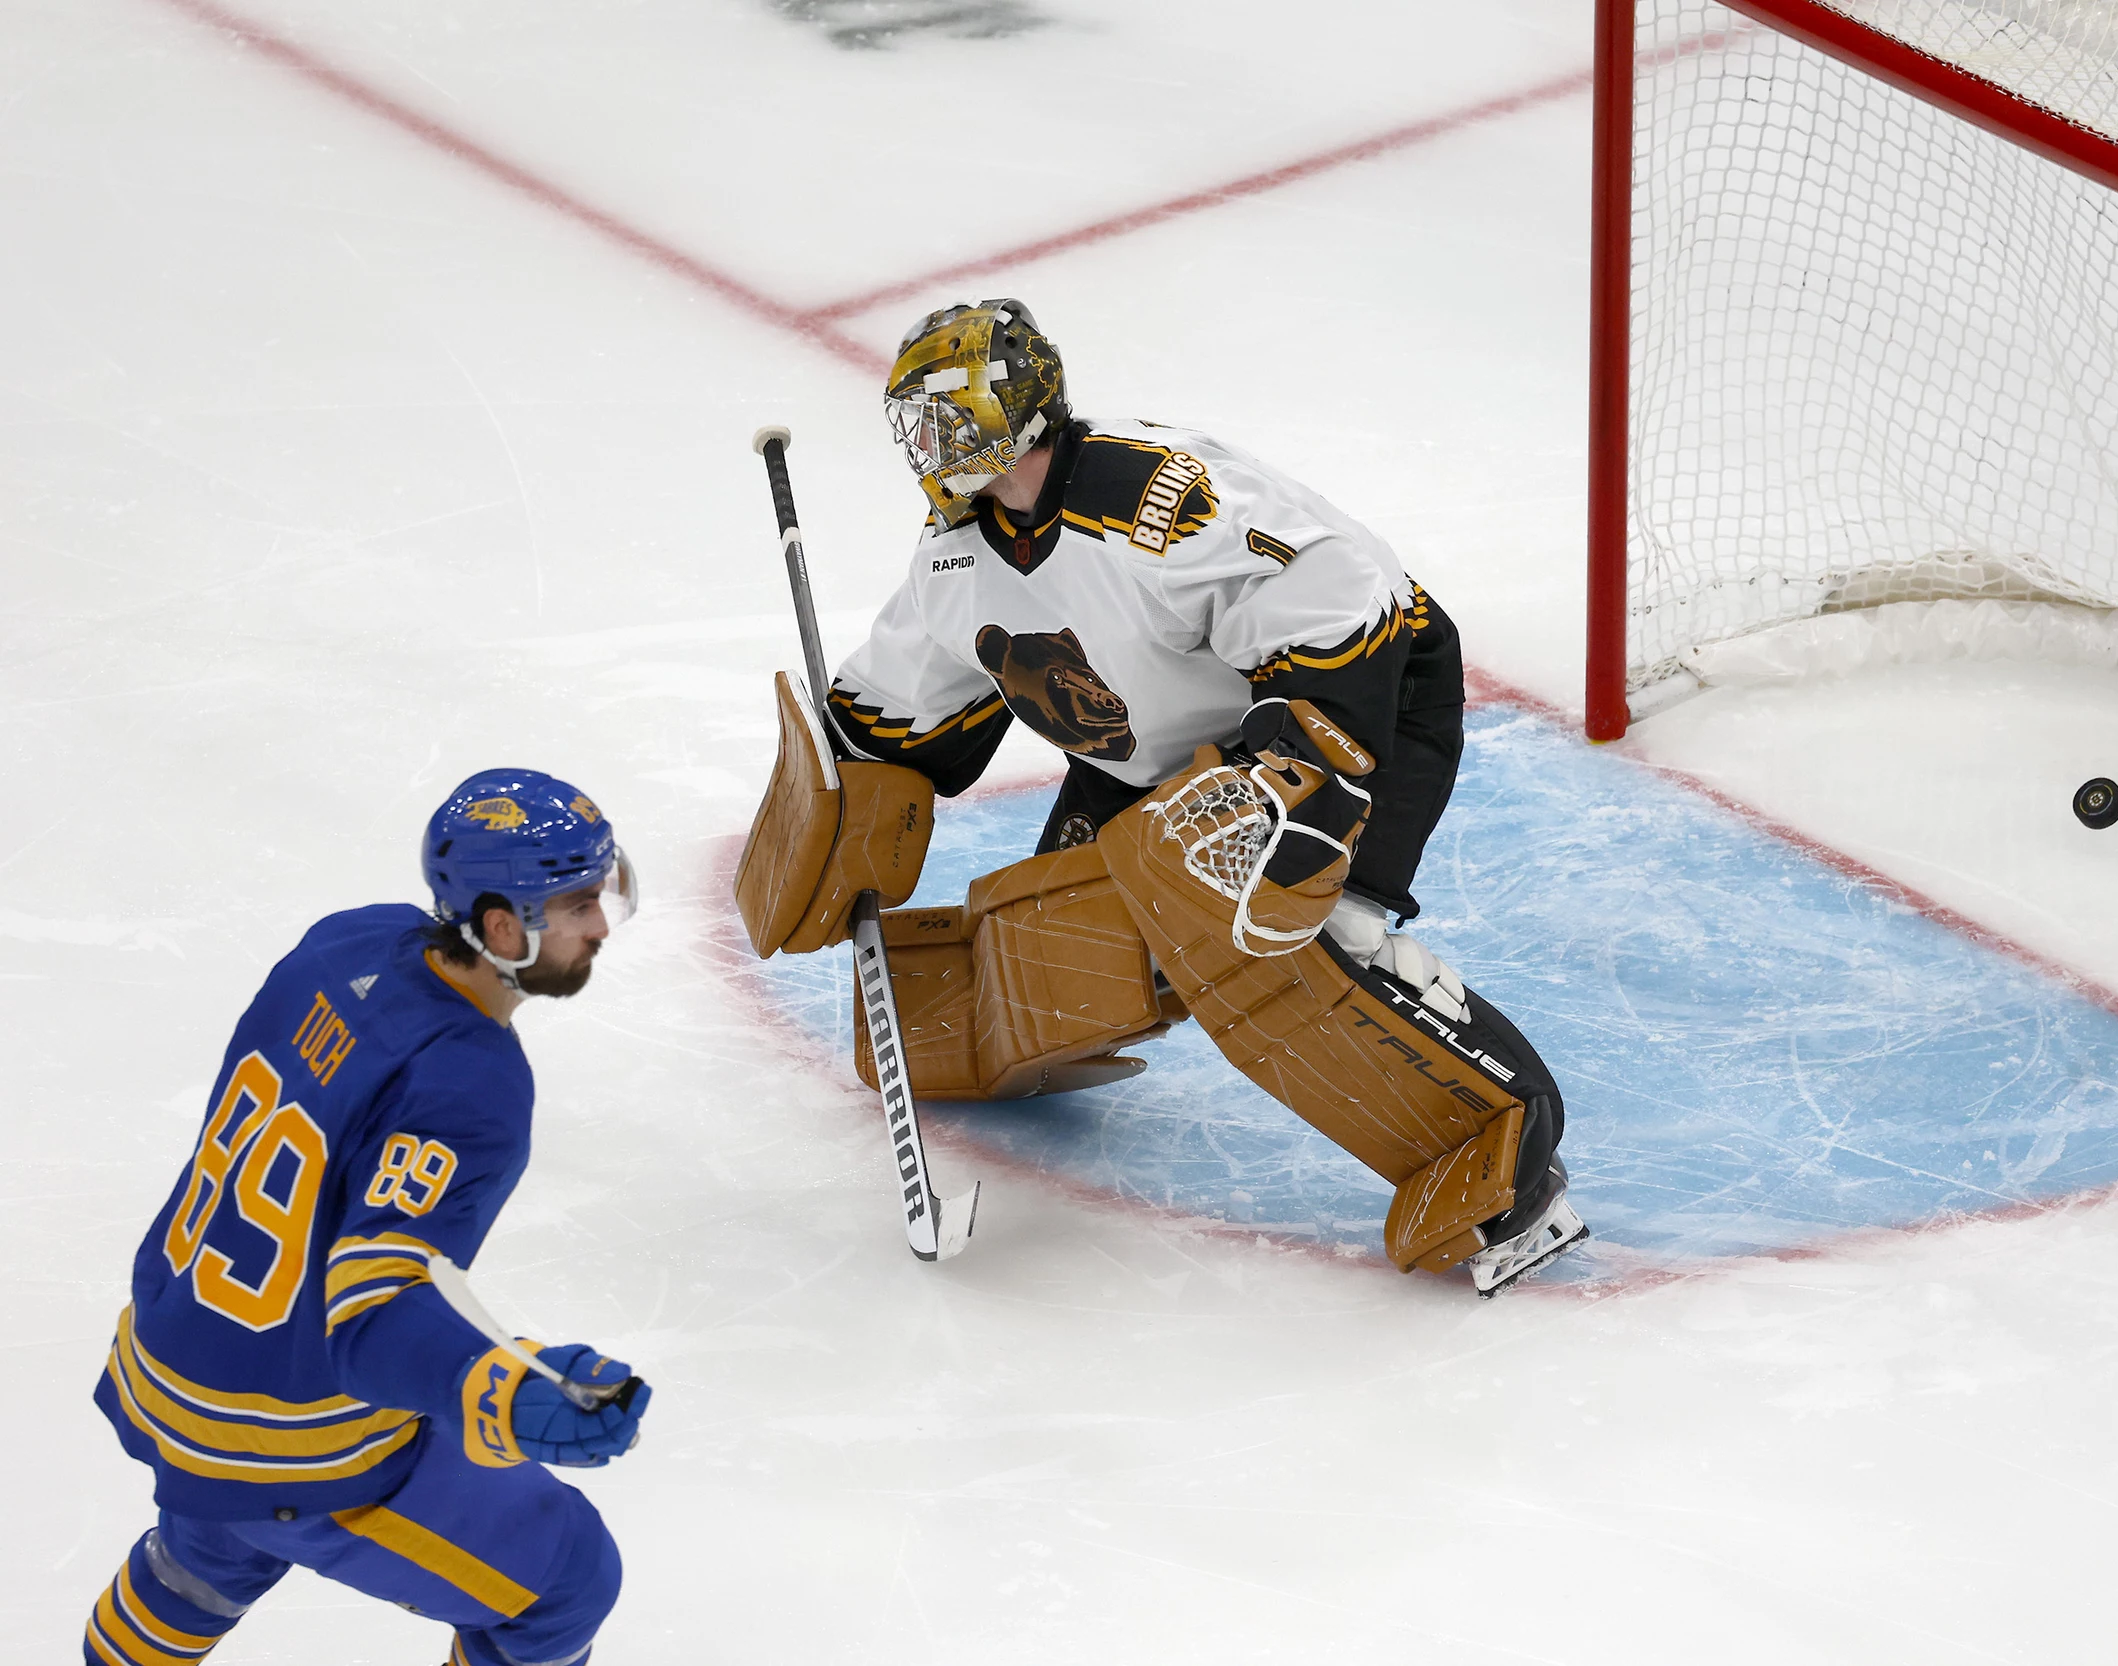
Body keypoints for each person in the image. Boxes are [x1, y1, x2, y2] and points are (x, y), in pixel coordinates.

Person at [816, 297, 1585, 1293]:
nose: (927, 446)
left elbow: (1347, 594)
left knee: (1290, 942)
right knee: (1057, 950)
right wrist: (846, 781)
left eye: (945, 418)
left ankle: (1503, 1155)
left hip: (1360, 693)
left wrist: (1300, 776)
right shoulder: (958, 550)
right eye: (914, 425)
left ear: (1017, 406)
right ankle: (969, 1035)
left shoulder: (1156, 498)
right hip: (1153, 746)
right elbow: (901, 698)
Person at [82, 770, 652, 1666]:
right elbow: (372, 1312)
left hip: (175, 1343)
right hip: (276, 1430)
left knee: (210, 1557)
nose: (600, 926)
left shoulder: (347, 940)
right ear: (503, 927)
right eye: (578, 903)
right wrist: (502, 1389)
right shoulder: (474, 1086)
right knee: (566, 1579)